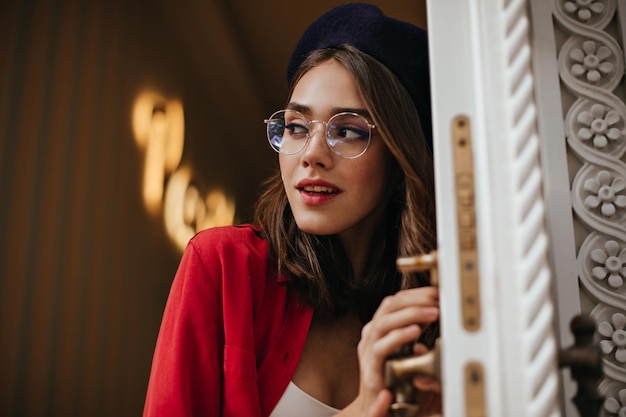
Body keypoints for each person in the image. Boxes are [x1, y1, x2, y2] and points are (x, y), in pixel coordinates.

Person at [143, 3, 441, 416]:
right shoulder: (223, 267)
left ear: (399, 156)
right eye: (296, 127)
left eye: (348, 131)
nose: (311, 154)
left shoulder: (430, 321)